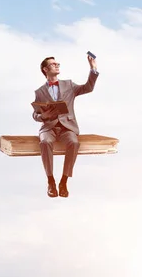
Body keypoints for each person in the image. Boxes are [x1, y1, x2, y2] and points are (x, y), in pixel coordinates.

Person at [32, 55, 99, 198]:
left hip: (67, 127)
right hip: (48, 127)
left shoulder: (68, 85)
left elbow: (88, 87)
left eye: (58, 64)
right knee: (44, 142)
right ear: (45, 69)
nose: (57, 66)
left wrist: (93, 69)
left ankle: (64, 181)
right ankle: (50, 181)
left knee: (74, 142)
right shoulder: (39, 92)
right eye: (53, 64)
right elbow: (35, 114)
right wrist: (42, 116)